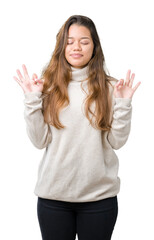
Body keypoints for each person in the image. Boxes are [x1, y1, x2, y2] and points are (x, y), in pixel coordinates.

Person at [14, 15, 141, 240]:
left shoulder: (112, 87)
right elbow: (38, 141)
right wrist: (32, 100)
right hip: (53, 198)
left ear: (94, 46)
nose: (76, 47)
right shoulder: (46, 86)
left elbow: (117, 142)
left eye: (84, 41)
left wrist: (123, 104)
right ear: (62, 46)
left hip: (99, 198)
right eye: (70, 41)